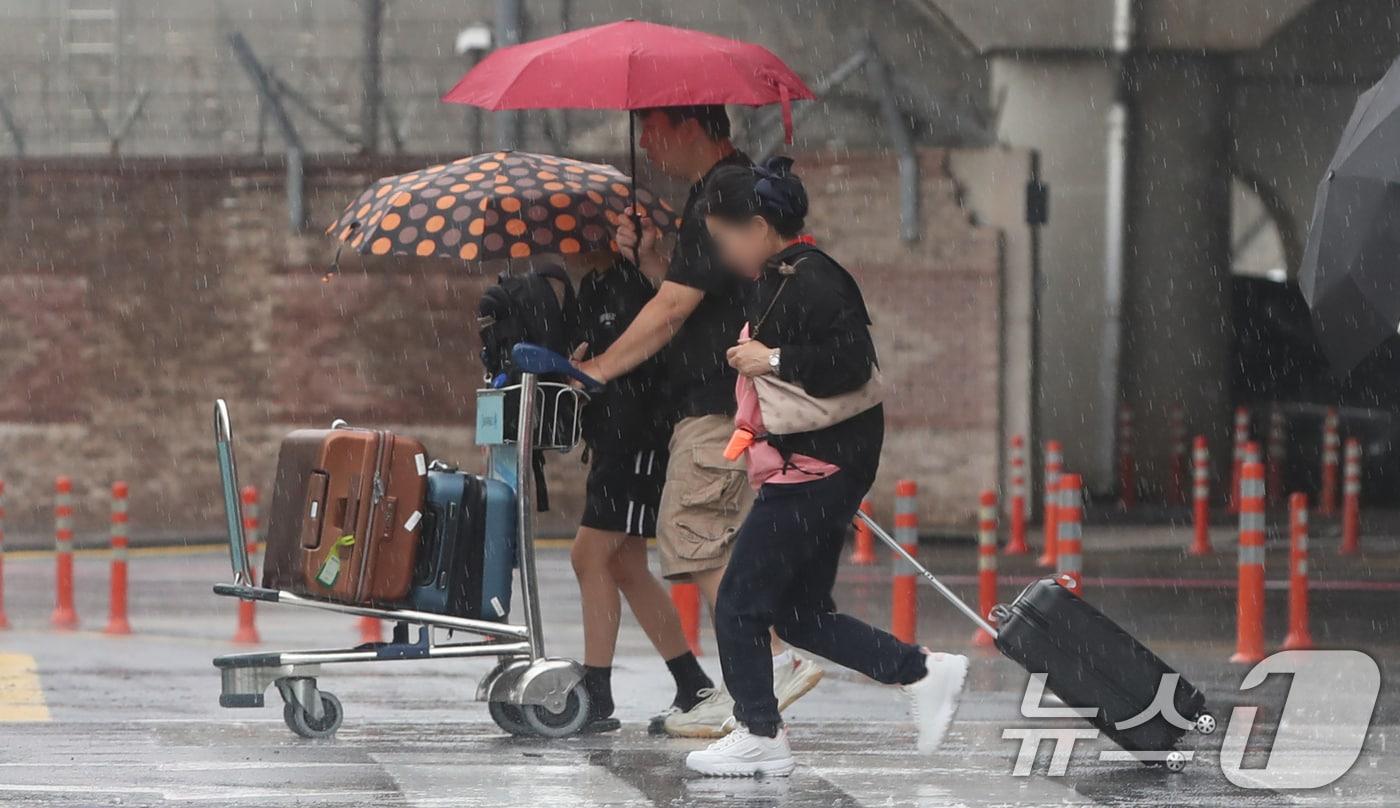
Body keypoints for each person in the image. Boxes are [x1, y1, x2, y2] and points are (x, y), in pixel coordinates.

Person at [682, 159, 970, 778]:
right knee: (800, 614)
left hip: (815, 467)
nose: (722, 250)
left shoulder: (815, 279)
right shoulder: (781, 276)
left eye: (725, 236)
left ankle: (760, 731)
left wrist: (773, 358)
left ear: (757, 226)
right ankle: (923, 672)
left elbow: (851, 362)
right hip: (814, 466)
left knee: (738, 602)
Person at [575, 105, 821, 737]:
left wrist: (598, 368)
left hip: (720, 403)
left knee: (695, 533)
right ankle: (747, 684)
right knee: (712, 542)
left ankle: (767, 666)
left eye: (651, 128)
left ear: (688, 126)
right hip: (728, 398)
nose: (644, 143)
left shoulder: (726, 191)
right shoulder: (719, 191)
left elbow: (673, 310)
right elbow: (698, 292)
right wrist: (656, 257)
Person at [560, 249, 717, 733]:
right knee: (624, 564)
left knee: (589, 556)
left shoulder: (634, 288)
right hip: (609, 439)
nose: (573, 242)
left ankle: (598, 689)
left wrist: (605, 373)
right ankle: (692, 683)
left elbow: (649, 359)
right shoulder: (593, 287)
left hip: (637, 441)